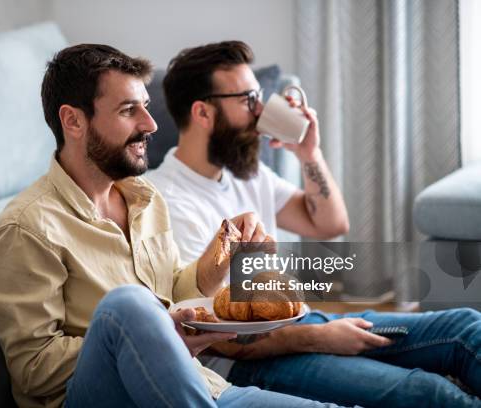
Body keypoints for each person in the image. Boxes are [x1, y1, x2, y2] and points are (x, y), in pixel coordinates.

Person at [0, 44, 350, 408]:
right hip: (102, 396)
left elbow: (172, 293)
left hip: (198, 385)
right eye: (128, 110)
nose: (150, 124)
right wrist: (154, 335)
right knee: (128, 305)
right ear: (73, 120)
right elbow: (34, 369)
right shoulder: (26, 228)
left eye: (146, 107)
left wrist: (214, 263)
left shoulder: (143, 198)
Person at [146, 40, 481, 408]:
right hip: (242, 363)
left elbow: (330, 223)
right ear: (203, 113)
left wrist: (309, 154)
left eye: (258, 97)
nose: (260, 111)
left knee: (465, 329)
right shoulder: (168, 202)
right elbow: (214, 336)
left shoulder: (245, 174)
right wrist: (318, 337)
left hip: (304, 322)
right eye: (247, 100)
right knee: (429, 393)